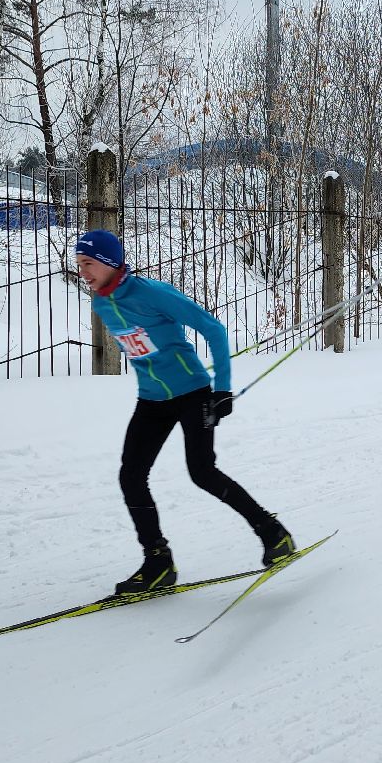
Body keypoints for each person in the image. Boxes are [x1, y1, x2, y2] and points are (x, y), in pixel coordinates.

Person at [75, 229, 297, 595]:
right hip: (151, 399)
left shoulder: (152, 294)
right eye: (80, 264)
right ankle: (158, 563)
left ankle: (274, 534)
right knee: (131, 475)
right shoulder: (101, 303)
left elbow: (213, 329)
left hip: (193, 393)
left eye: (89, 264)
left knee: (202, 472)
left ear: (111, 262)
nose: (84, 272)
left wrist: (223, 388)